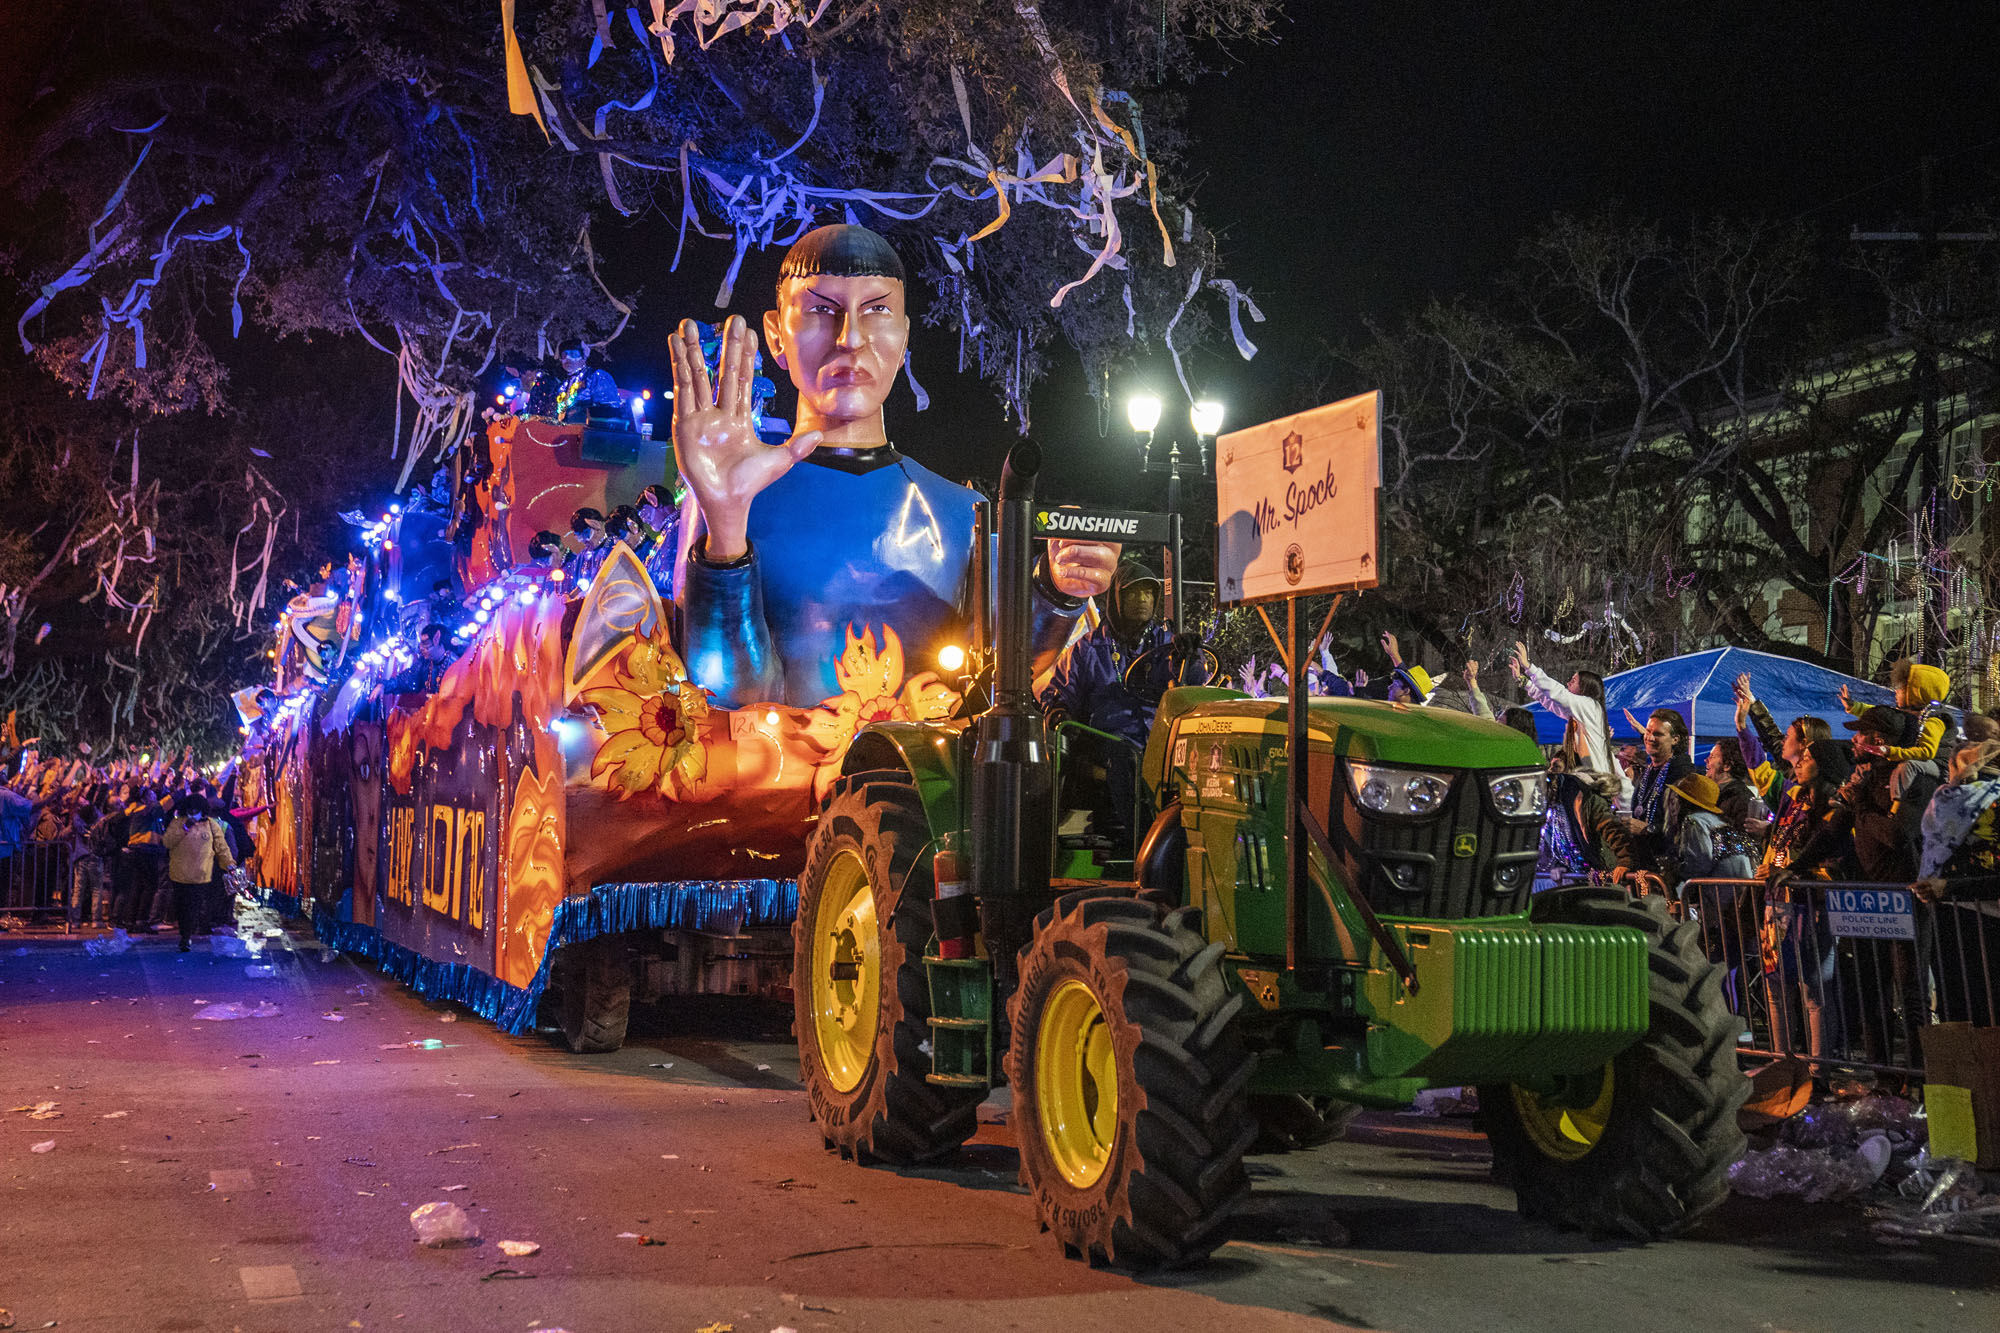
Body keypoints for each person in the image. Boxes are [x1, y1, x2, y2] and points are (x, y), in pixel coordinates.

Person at [668, 224, 1113, 709]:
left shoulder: (964, 514)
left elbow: (990, 689)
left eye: (876, 310)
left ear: (903, 340)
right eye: (821, 309)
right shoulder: (730, 496)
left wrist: (1056, 593)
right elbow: (723, 699)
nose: (850, 338)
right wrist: (725, 533)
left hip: (926, 758)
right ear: (776, 334)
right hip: (768, 761)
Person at [1040, 563, 1177, 848]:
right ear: (1117, 599)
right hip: (1108, 741)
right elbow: (1059, 693)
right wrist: (1057, 709)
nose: (1142, 599)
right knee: (1125, 756)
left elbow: (1192, 683)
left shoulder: (1168, 644)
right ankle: (1144, 844)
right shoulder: (1088, 648)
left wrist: (1191, 654)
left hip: (1162, 738)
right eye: (1134, 593)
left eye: (1148, 593)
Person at [1913, 722, 2000, 1024]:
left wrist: (1949, 887)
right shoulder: (1949, 796)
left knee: (1982, 1008)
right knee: (1961, 1009)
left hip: (1982, 914)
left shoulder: (1987, 799)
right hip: (1951, 912)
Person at [1510, 642, 1629, 801]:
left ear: (1584, 688)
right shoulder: (1581, 715)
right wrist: (1524, 682)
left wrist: (1529, 667)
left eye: (1573, 681)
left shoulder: (1590, 706)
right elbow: (1551, 703)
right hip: (1589, 784)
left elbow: (1559, 694)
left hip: (1596, 787)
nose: (1567, 684)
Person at [1842, 660, 1952, 765]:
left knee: (1905, 768)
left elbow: (1926, 752)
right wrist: (1854, 707)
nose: (1896, 692)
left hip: (1936, 764)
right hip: (1916, 759)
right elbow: (1882, 718)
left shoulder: (1933, 719)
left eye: (1901, 689)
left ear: (1916, 693)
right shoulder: (1909, 712)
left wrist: (1891, 752)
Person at [163, 795, 235, 952]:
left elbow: (221, 847)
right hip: (179, 875)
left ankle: (187, 935)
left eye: (196, 811)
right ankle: (185, 934)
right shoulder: (178, 823)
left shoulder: (211, 825)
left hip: (200, 875)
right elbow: (168, 842)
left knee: (194, 906)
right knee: (182, 907)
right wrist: (185, 828)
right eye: (190, 810)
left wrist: (229, 864)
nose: (193, 814)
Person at [1626, 708, 1696, 864]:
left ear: (1675, 740)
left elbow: (1686, 825)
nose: (1650, 737)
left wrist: (1648, 829)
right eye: (1648, 731)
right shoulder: (1649, 770)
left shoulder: (1684, 774)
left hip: (1669, 865)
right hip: (1643, 861)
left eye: (1658, 734)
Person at [382, 624, 454, 697]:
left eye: (426, 643)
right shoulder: (424, 662)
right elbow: (405, 680)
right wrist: (383, 686)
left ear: (437, 640)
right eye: (421, 644)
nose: (421, 648)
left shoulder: (455, 664)